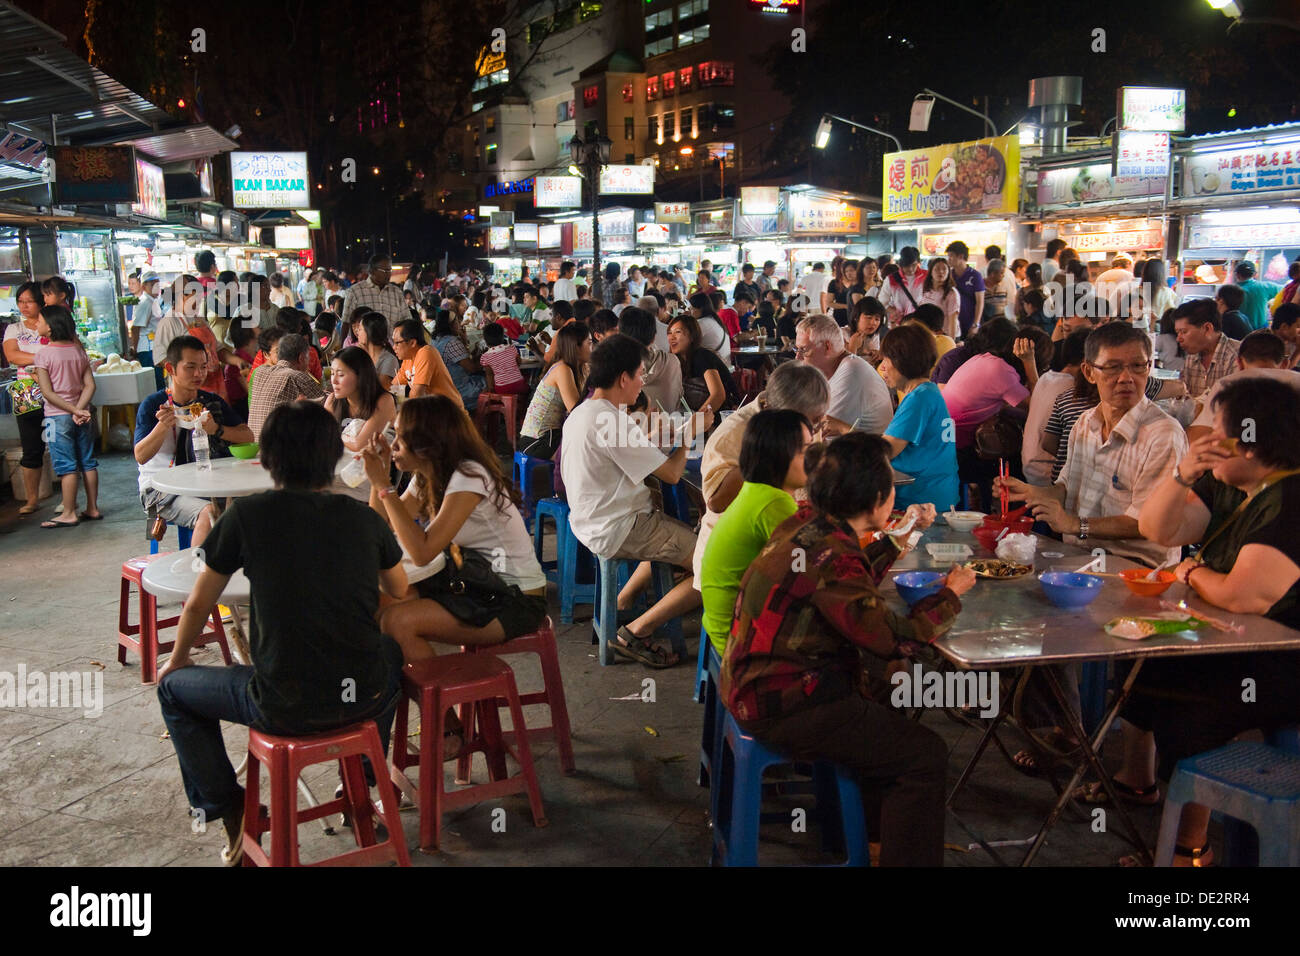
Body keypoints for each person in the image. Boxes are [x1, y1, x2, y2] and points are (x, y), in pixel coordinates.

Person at [156, 400, 407, 865]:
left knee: (173, 690)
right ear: (333, 457)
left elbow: (199, 601)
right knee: (389, 652)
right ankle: (364, 780)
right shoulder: (363, 518)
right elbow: (398, 586)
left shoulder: (247, 517)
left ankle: (231, 808)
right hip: (363, 695)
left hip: (281, 703)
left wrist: (176, 659)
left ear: (268, 457)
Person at [723, 433, 974, 867]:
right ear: (878, 497)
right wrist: (950, 595)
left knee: (888, 697)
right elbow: (895, 637)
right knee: (924, 754)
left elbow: (844, 585)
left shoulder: (806, 524)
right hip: (783, 702)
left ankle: (874, 840)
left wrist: (898, 537)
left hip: (757, 681)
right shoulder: (832, 553)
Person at [1111, 377, 1300, 866]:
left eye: (1218, 434)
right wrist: (1181, 475)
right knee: (1144, 670)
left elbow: (1242, 596)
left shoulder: (1292, 499)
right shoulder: (1234, 485)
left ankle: (1190, 849)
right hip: (1240, 644)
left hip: (1283, 659)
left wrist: (1192, 571)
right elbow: (1157, 529)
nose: (1206, 442)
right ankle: (1142, 783)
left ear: (1254, 445)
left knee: (1192, 706)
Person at [559, 334, 713, 667]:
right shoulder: (612, 420)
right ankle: (635, 631)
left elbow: (630, 442)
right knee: (713, 561)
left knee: (674, 532)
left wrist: (666, 434)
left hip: (591, 522)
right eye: (640, 374)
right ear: (623, 378)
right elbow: (672, 473)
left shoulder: (588, 411)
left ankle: (624, 599)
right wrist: (688, 435)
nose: (642, 382)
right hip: (620, 527)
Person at [362, 396, 548, 661]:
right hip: (473, 582)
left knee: (397, 622)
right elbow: (379, 526)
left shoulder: (469, 476)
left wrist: (384, 486)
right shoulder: (429, 475)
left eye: (402, 438)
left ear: (427, 444)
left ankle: (443, 701)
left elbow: (422, 552)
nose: (393, 445)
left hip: (514, 597)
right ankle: (427, 695)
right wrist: (379, 476)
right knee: (376, 605)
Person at [996, 321, 1188, 569]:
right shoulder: (1086, 423)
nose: (1126, 378)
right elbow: (1067, 486)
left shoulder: (1163, 435)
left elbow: (1150, 523)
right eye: (1112, 367)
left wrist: (1074, 525)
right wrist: (1031, 492)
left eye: (1138, 366)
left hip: (1137, 568)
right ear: (1088, 372)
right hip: (1082, 557)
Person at [691, 362, 830, 586]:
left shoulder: (799, 428)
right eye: (812, 422)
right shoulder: (735, 433)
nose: (815, 431)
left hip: (771, 554)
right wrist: (767, 453)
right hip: (742, 572)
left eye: (819, 421)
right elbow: (716, 502)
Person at [699, 410, 812, 656]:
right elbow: (807, 571)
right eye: (805, 450)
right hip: (738, 638)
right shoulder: (774, 502)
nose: (812, 460)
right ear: (778, 456)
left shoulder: (757, 490)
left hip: (722, 623)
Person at [134, 336, 254, 547]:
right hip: (160, 490)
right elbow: (141, 456)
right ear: (171, 368)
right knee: (209, 514)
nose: (199, 374)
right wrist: (162, 427)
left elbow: (247, 436)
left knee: (253, 506)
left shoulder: (210, 402)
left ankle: (236, 570)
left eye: (203, 367)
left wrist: (216, 429)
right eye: (190, 367)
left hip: (205, 484)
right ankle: (198, 575)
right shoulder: (154, 405)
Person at [941, 320, 1046, 508]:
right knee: (1020, 466)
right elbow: (1039, 408)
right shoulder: (1002, 372)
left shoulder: (984, 358)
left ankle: (988, 505)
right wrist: (1030, 363)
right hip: (956, 456)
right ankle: (1014, 521)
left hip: (943, 444)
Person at [878, 323, 959, 511]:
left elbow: (887, 449)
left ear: (901, 361)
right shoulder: (928, 391)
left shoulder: (919, 398)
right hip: (936, 495)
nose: (882, 367)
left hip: (922, 501)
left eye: (886, 359)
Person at [31, 305, 99, 527]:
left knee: (66, 465)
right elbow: (90, 385)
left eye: (39, 321)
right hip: (82, 416)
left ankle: (69, 512)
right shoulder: (79, 352)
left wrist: (72, 411)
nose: (36, 324)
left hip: (56, 417)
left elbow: (48, 393)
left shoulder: (43, 355)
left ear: (50, 328)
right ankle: (93, 508)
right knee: (88, 462)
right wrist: (79, 409)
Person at [1186, 330, 1300, 441]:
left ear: (1239, 363)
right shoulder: (1296, 381)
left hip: (1244, 454)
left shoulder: (1228, 385)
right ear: (1285, 364)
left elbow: (1199, 434)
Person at [794, 314, 893, 436]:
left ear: (827, 347)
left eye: (803, 350)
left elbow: (819, 431)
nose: (797, 357)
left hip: (866, 452)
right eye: (797, 349)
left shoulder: (852, 372)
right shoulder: (837, 368)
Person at [4, 281, 49, 515]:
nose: (24, 306)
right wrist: (44, 355)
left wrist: (30, 356)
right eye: (20, 301)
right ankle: (32, 499)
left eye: (28, 301)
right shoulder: (14, 329)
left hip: (54, 385)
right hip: (25, 388)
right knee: (31, 445)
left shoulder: (50, 322)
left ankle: (69, 494)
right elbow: (13, 356)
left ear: (40, 301)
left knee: (61, 442)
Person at [1023, 328, 1088, 486]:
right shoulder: (1073, 388)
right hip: (1046, 474)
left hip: (1028, 466)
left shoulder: (1047, 377)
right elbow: (1052, 445)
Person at [520, 321, 590, 459]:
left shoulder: (578, 368)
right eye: (589, 343)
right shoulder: (562, 369)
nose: (592, 348)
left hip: (551, 435)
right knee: (588, 453)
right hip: (538, 440)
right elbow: (576, 411)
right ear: (576, 347)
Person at [247, 333, 325, 439]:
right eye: (307, 358)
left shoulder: (260, 372)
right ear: (301, 358)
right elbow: (327, 404)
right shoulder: (295, 375)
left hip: (255, 445)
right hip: (278, 449)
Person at [326, 346, 397, 462]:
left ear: (360, 376)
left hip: (377, 470)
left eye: (340, 375)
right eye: (332, 373)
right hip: (344, 469)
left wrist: (334, 434)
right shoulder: (332, 401)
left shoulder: (384, 400)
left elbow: (359, 444)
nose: (333, 381)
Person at [668, 313, 739, 413]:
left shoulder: (702, 356)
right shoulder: (675, 360)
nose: (672, 337)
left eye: (678, 332)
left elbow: (718, 395)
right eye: (669, 333)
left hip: (722, 416)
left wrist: (696, 422)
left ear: (692, 336)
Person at [620, 305, 683, 413]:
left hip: (632, 428)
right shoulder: (673, 361)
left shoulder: (616, 368)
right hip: (672, 426)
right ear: (654, 338)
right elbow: (679, 397)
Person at [1174, 298, 1241, 399]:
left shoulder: (1237, 357)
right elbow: (1184, 399)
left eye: (1183, 332)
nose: (1178, 339)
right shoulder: (1192, 356)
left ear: (1207, 328)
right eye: (1177, 333)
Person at [391, 318, 461, 403]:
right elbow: (394, 388)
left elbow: (416, 395)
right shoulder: (408, 359)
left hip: (448, 412)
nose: (393, 347)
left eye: (397, 343)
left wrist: (399, 400)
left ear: (412, 343)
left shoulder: (426, 352)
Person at [431, 309, 484, 408]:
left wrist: (464, 340)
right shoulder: (452, 342)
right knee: (489, 382)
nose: (459, 324)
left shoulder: (435, 339)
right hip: (460, 390)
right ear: (450, 325)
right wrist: (484, 355)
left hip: (443, 389)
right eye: (456, 321)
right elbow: (471, 368)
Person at [342, 255, 408, 330]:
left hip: (392, 341)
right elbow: (346, 323)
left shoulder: (397, 292)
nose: (389, 274)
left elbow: (406, 320)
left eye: (390, 270)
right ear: (372, 271)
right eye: (385, 271)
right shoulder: (354, 292)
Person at [945, 241, 985, 339]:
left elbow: (980, 302)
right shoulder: (949, 275)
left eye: (951, 256)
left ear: (961, 256)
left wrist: (976, 324)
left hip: (969, 323)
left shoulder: (975, 275)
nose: (948, 259)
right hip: (953, 323)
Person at [880, 246, 926, 326]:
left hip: (922, 322)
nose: (911, 269)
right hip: (900, 323)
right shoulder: (891, 279)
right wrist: (893, 311)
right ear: (901, 264)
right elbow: (882, 301)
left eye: (914, 265)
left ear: (918, 262)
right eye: (907, 266)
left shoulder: (926, 276)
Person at [479, 322, 527, 396]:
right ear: (502, 336)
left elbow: (489, 375)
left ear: (485, 340)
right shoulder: (512, 348)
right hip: (519, 384)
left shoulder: (485, 357)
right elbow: (519, 363)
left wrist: (491, 389)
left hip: (502, 388)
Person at [1232, 259, 1280, 331]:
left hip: (1240, 331)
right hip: (1261, 330)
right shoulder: (1265, 286)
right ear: (1254, 274)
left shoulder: (1231, 290)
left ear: (1237, 274)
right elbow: (1285, 290)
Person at [920, 257, 960, 339]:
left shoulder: (951, 293)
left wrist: (951, 342)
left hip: (946, 335)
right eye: (937, 269)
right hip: (930, 334)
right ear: (931, 272)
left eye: (944, 269)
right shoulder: (926, 290)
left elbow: (953, 319)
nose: (941, 272)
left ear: (949, 272)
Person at [688, 291, 732, 365]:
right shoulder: (714, 319)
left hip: (716, 369)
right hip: (725, 365)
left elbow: (687, 344)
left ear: (700, 309)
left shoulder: (701, 323)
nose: (689, 312)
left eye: (691, 309)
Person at [845, 296, 885, 362]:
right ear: (856, 317)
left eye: (877, 319)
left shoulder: (874, 336)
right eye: (869, 317)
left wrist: (876, 355)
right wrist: (852, 346)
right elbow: (846, 366)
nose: (873, 323)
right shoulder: (842, 335)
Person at [1272, 301, 1300, 367]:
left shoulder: (1289, 340)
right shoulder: (1266, 344)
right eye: (1298, 327)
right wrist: (1298, 351)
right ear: (1284, 327)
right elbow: (1279, 373)